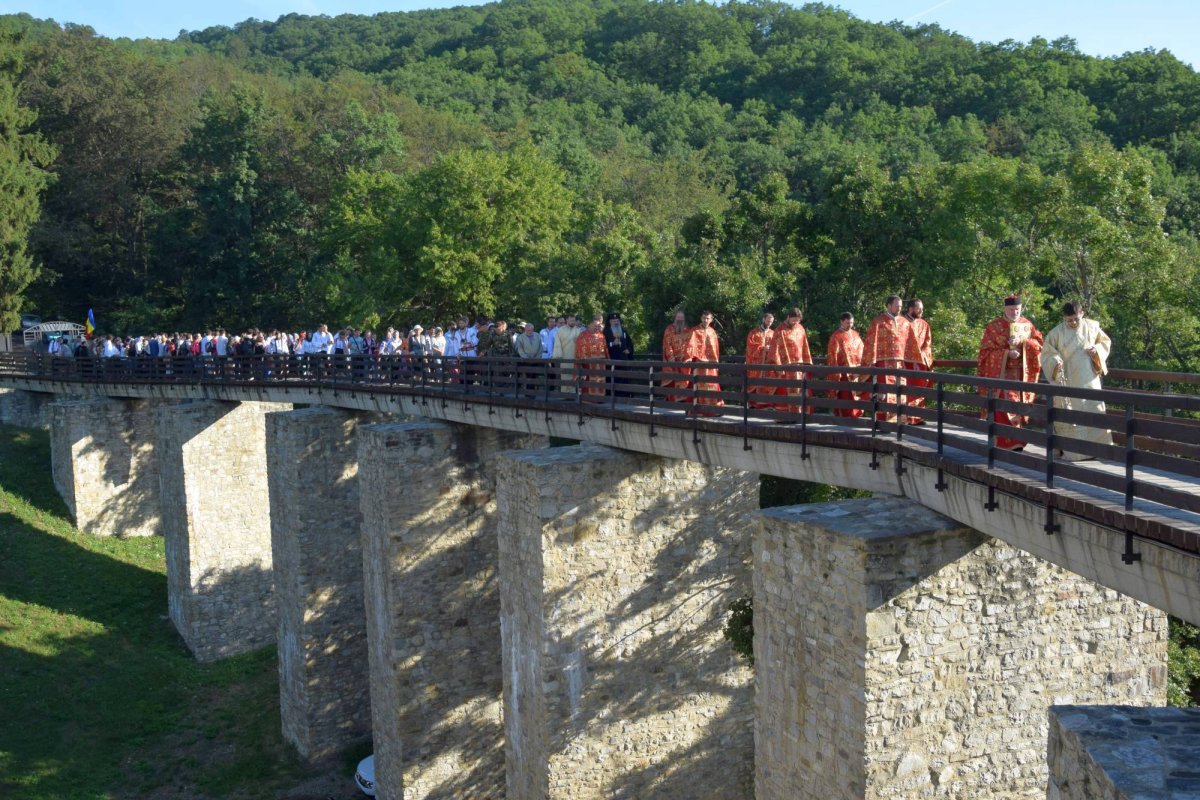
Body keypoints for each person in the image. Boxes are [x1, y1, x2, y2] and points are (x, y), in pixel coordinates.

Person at [1039, 302, 1112, 460]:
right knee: (1069, 416)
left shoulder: (1093, 327)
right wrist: (1055, 360)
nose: (1072, 323)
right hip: (1067, 380)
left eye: (1076, 319)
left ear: (1082, 314)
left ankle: (1099, 451)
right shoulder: (1056, 333)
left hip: (1089, 379)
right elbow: (1046, 354)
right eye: (1069, 320)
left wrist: (1096, 351)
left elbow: (1105, 343)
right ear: (1064, 318)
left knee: (1094, 411)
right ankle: (1074, 453)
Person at [977, 294, 1044, 451]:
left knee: (1019, 406)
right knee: (1004, 407)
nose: (1015, 312)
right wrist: (1007, 354)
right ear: (1005, 309)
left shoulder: (1027, 325)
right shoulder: (994, 327)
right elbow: (985, 352)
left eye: (1018, 309)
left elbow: (1039, 344)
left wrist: (1023, 342)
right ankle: (1002, 443)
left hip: (1021, 374)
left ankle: (1017, 441)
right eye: (1012, 309)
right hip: (1001, 374)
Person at [862, 295, 912, 423]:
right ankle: (884, 423)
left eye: (900, 306)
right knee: (884, 392)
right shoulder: (878, 322)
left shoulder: (905, 322)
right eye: (896, 306)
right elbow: (870, 343)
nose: (899, 308)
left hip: (900, 364)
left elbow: (911, 344)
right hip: (883, 363)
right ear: (889, 306)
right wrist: (871, 361)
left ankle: (900, 421)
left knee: (900, 391)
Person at [765, 308, 811, 415]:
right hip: (785, 367)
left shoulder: (800, 328)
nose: (796, 322)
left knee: (801, 390)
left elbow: (805, 345)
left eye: (798, 320)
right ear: (788, 317)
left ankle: (801, 415)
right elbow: (774, 349)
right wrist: (778, 367)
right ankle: (785, 416)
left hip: (800, 366)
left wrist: (807, 362)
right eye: (794, 320)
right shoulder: (780, 330)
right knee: (785, 392)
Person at [826, 312, 864, 418]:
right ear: (841, 321)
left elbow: (862, 350)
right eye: (847, 323)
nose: (850, 325)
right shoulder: (836, 336)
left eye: (851, 323)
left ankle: (856, 418)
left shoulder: (856, 334)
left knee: (856, 397)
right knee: (845, 397)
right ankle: (845, 419)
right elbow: (832, 356)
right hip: (843, 373)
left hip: (857, 372)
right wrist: (836, 373)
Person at [903, 298, 933, 424]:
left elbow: (927, 343)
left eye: (922, 308)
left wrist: (923, 357)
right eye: (918, 308)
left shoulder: (924, 324)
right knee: (906, 390)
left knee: (919, 389)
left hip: (920, 362)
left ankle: (918, 417)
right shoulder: (901, 323)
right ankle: (905, 418)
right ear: (910, 308)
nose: (921, 311)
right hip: (905, 363)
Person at [688, 310, 723, 414]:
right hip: (699, 364)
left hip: (711, 364)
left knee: (712, 385)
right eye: (704, 318)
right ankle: (699, 409)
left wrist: (716, 362)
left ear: (711, 320)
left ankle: (714, 409)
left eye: (708, 318)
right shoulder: (694, 331)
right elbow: (690, 346)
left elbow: (716, 348)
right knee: (699, 385)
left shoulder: (712, 332)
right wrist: (689, 357)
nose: (706, 320)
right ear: (701, 318)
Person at [661, 309, 693, 403]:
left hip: (684, 359)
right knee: (673, 377)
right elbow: (667, 344)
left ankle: (684, 399)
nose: (679, 319)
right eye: (678, 317)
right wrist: (671, 357)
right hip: (673, 359)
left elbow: (690, 344)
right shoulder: (669, 329)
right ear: (675, 317)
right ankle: (673, 399)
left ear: (684, 318)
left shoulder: (687, 330)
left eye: (681, 317)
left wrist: (687, 356)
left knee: (685, 378)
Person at [574, 314, 609, 400]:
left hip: (600, 364)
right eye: (595, 326)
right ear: (590, 325)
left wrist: (607, 359)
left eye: (598, 326)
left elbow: (605, 349)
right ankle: (588, 398)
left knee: (600, 381)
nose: (597, 328)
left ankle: (599, 398)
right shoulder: (583, 335)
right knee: (589, 380)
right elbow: (579, 348)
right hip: (588, 363)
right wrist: (582, 359)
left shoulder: (601, 335)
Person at [744, 311, 775, 409]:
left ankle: (765, 404)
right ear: (763, 320)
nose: (769, 323)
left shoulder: (773, 333)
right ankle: (753, 404)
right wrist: (763, 348)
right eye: (768, 321)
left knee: (767, 382)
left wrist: (771, 349)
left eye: (771, 322)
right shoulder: (754, 333)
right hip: (756, 363)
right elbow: (750, 347)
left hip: (768, 363)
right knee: (755, 382)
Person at [552, 314, 581, 392]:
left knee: (575, 375)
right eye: (571, 320)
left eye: (574, 320)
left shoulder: (578, 330)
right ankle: (566, 394)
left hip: (576, 357)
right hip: (565, 357)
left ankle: (575, 393)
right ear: (567, 321)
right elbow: (557, 344)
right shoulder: (560, 330)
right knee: (566, 375)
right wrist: (558, 356)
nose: (572, 322)